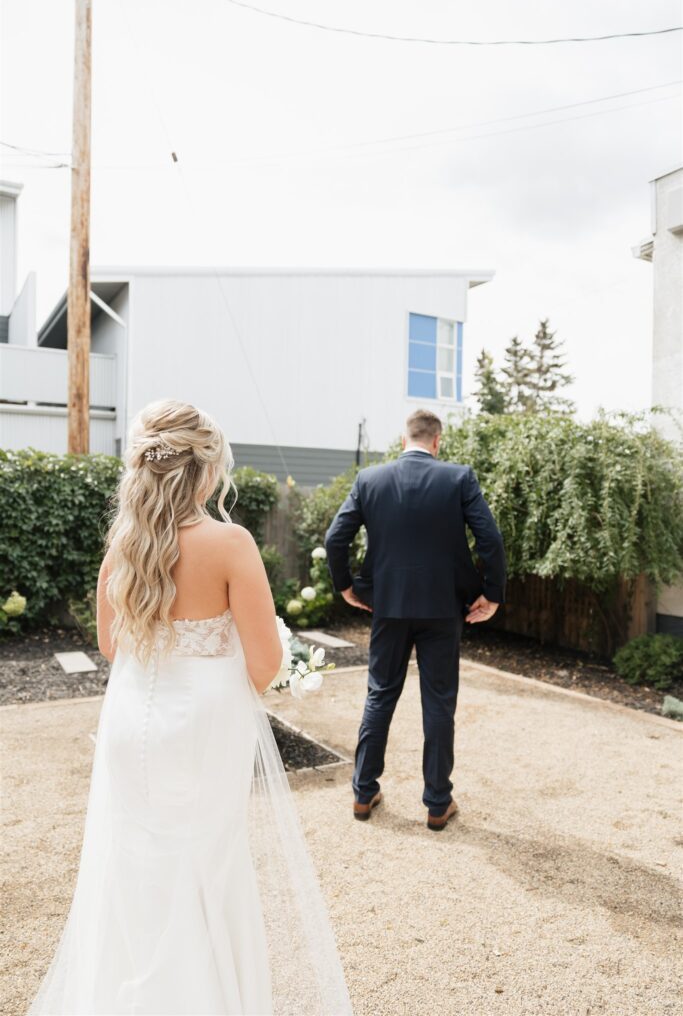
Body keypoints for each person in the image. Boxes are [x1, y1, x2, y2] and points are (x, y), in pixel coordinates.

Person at [27, 399, 352, 1016]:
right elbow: (265, 663)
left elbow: (109, 643)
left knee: (135, 868)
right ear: (205, 471)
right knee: (205, 867)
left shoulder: (122, 543)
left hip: (131, 719)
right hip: (204, 724)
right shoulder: (230, 543)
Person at [325, 408, 506, 831]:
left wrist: (346, 586)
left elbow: (336, 538)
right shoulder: (459, 477)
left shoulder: (370, 479)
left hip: (387, 607)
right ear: (437, 441)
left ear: (403, 439)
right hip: (444, 609)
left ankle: (364, 792)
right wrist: (492, 594)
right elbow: (490, 539)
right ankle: (438, 803)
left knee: (380, 694)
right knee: (439, 701)